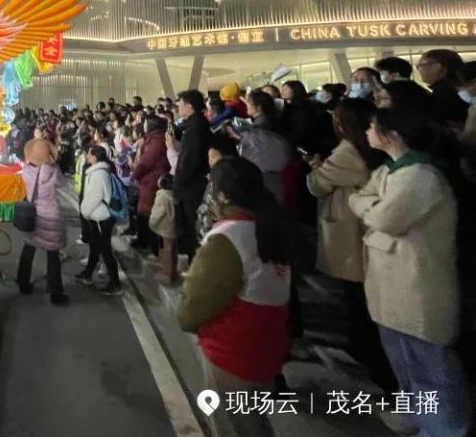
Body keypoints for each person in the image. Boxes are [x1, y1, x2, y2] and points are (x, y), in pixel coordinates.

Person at [350, 107, 471, 436]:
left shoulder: (421, 176)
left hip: (418, 288)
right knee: (404, 364)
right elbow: (358, 199)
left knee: (432, 369)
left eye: (373, 127)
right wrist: (369, 206)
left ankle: (447, 430)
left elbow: (385, 219)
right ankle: (416, 418)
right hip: (391, 291)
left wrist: (369, 207)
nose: (367, 132)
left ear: (394, 134)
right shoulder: (389, 170)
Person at [177, 158, 291, 437]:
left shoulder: (228, 236)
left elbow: (195, 306)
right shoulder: (268, 225)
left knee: (235, 428)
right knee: (253, 424)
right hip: (266, 345)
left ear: (223, 194)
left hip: (232, 351)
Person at [304, 99, 394, 392]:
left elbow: (317, 184)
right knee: (363, 299)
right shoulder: (371, 152)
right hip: (366, 233)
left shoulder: (348, 152)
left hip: (353, 231)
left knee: (359, 300)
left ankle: (374, 365)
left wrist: (317, 168)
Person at [17, 138, 69, 305]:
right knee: (53, 255)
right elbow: (63, 184)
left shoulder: (26, 171)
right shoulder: (53, 171)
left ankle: (23, 283)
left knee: (28, 249)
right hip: (51, 216)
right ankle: (55, 293)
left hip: (33, 216)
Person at [231, 90, 293, 203]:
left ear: (259, 107)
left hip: (266, 176)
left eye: (249, 102)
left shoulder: (264, 125)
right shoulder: (264, 122)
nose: (247, 105)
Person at [172, 90, 211, 260]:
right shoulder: (193, 126)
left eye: (179, 104)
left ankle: (194, 262)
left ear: (189, 106)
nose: (177, 108)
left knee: (191, 225)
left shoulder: (195, 129)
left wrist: (177, 186)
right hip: (191, 185)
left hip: (191, 187)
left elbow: (189, 161)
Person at [130, 116, 170, 252]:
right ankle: (144, 241)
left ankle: (149, 244)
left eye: (146, 123)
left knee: (146, 213)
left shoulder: (157, 140)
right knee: (143, 212)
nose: (144, 125)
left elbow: (147, 161)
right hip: (148, 180)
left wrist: (135, 174)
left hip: (152, 180)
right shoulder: (153, 138)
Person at [416, 48, 468, 129]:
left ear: (437, 66)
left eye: (420, 65)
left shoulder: (443, 94)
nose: (419, 70)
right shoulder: (463, 89)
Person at [148, 174, 177, 284]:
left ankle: (166, 274)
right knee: (173, 250)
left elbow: (157, 214)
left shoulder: (162, 196)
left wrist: (151, 223)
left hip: (165, 227)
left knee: (167, 251)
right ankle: (173, 272)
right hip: (173, 226)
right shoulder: (173, 195)